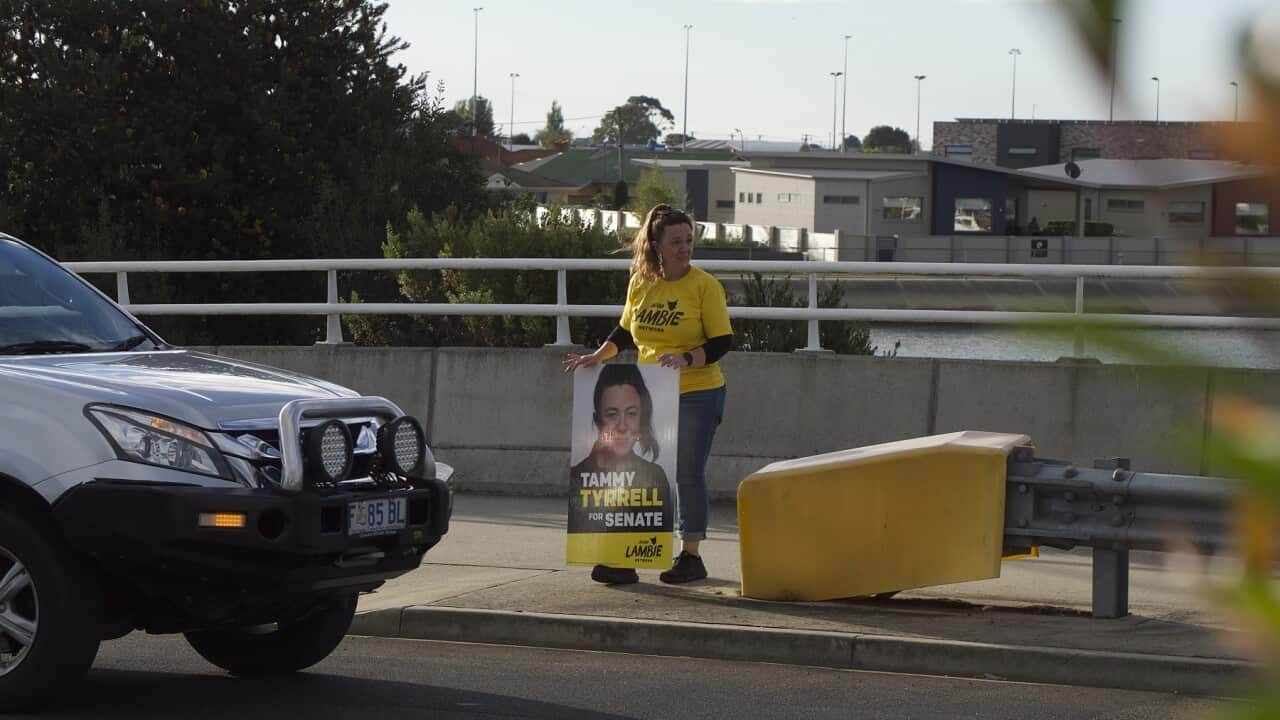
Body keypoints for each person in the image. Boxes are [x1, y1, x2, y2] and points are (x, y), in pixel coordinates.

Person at [564, 204, 733, 585]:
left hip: (697, 391)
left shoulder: (705, 286)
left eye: (689, 240)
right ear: (656, 244)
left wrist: (688, 358)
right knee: (636, 474)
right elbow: (625, 332)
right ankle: (627, 557)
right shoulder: (641, 282)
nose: (684, 248)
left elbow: (723, 341)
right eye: (676, 242)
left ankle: (690, 556)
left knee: (686, 473)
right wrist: (596, 357)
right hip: (651, 394)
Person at [567, 364, 672, 536]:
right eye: (612, 414)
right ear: (598, 421)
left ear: (641, 419)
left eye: (631, 413)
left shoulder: (655, 477)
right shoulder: (578, 477)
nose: (622, 426)